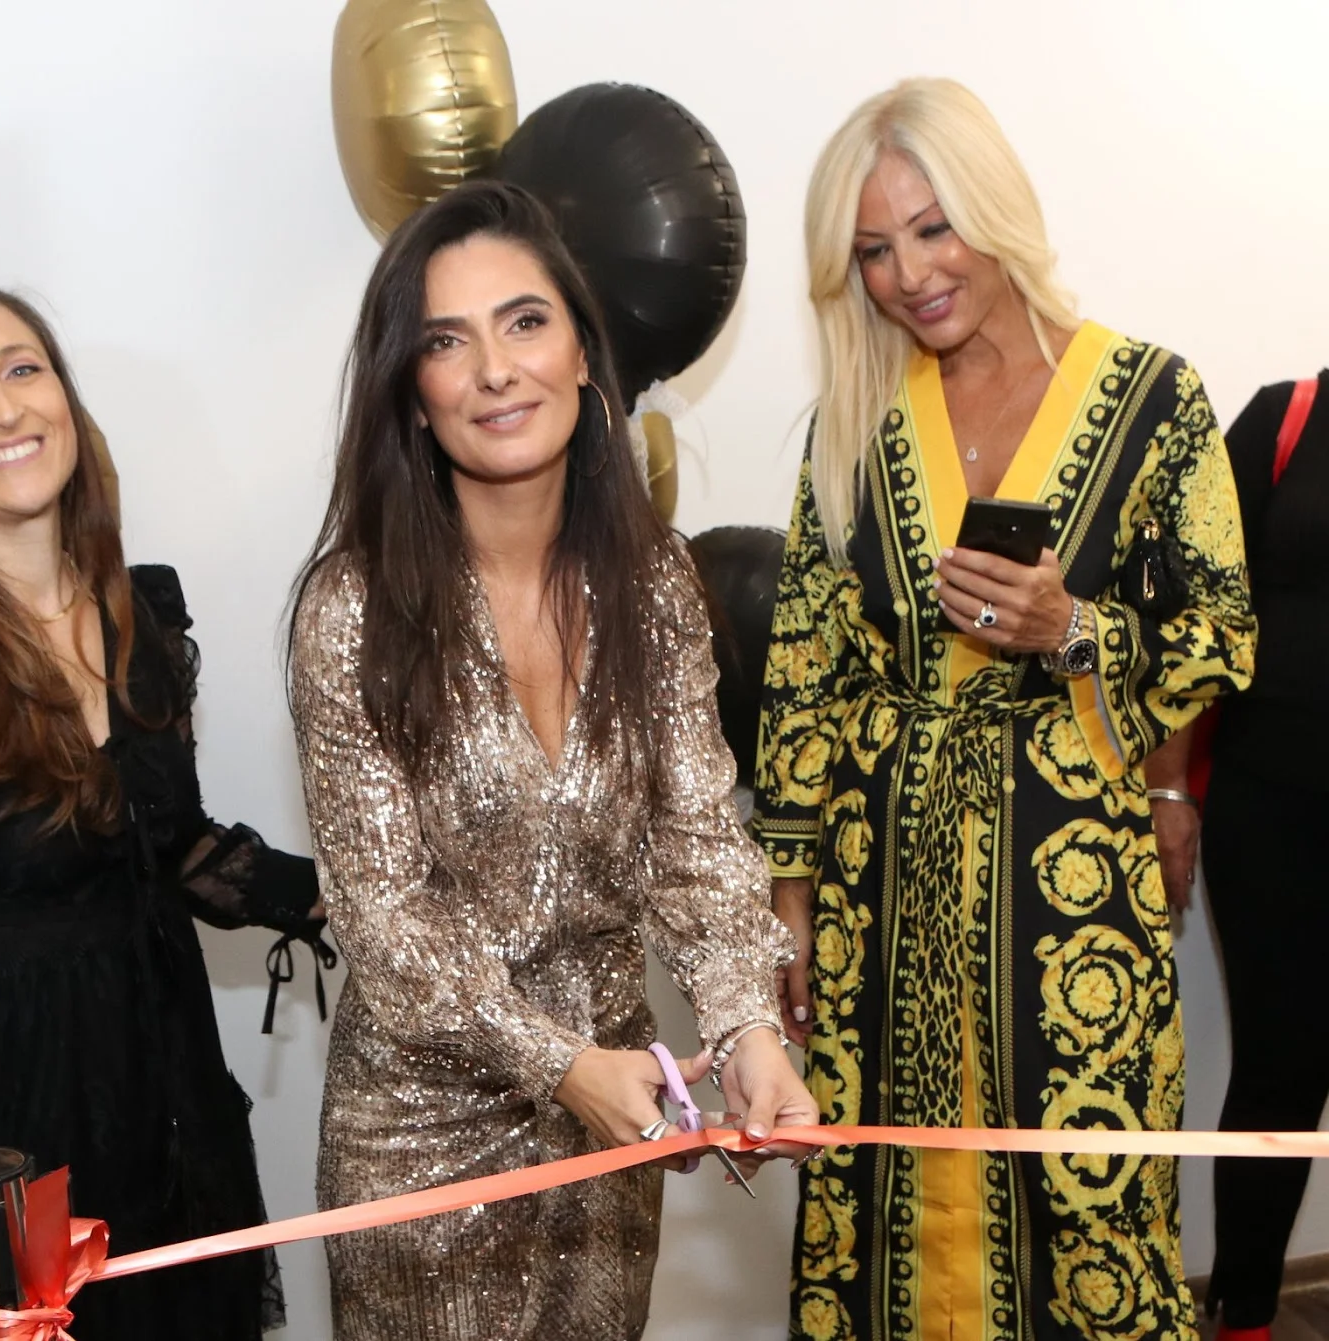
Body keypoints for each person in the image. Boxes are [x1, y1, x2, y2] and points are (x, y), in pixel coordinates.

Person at [754, 78, 1255, 1341]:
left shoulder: (1155, 399)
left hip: (1070, 875)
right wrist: (790, 898)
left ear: (996, 209)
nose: (909, 274)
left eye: (933, 228)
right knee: (876, 1191)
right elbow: (806, 665)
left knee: (1091, 1201)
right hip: (879, 878)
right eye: (874, 250)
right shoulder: (851, 426)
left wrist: (1071, 629)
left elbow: (1223, 632)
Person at [288, 178, 818, 1340]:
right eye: (446, 341)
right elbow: (385, 921)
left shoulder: (654, 583)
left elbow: (694, 839)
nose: (494, 369)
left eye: (524, 321)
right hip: (420, 1143)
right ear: (411, 391)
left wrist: (748, 1032)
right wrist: (564, 1065)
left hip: (609, 1129)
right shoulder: (353, 611)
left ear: (582, 354)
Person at [0, 280, 325, 1339]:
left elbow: (169, 848)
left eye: (23, 368)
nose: (3, 407)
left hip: (167, 1107)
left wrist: (343, 898)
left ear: (67, 402)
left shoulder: (139, 615)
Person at [1147, 370, 1327, 1341]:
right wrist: (1169, 787)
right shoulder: (1285, 418)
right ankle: (1247, 1317)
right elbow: (1193, 621)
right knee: (1278, 1072)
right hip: (1272, 809)